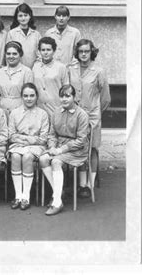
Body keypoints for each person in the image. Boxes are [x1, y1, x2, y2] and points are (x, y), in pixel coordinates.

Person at [69, 39, 110, 198]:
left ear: (91, 52)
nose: (84, 54)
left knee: (92, 148)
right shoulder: (71, 69)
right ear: (77, 53)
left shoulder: (99, 71)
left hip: (92, 116)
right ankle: (81, 185)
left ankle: (90, 184)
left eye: (86, 51)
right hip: (75, 116)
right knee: (79, 147)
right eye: (81, 51)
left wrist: (96, 112)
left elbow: (106, 99)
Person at [39, 84, 90, 215]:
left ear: (74, 97)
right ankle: (58, 190)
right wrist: (51, 147)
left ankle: (57, 202)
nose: (64, 99)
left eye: (68, 96)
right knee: (43, 159)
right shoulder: (56, 112)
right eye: (62, 96)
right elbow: (52, 134)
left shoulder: (82, 115)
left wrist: (60, 150)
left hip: (77, 150)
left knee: (56, 162)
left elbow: (81, 141)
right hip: (58, 147)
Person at [8, 83, 49, 210]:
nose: (29, 98)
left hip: (36, 146)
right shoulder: (14, 113)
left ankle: (26, 196)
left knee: (26, 157)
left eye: (32, 95)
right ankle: (18, 195)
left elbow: (43, 139)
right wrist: (24, 140)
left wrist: (26, 140)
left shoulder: (43, 114)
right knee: (15, 156)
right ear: (21, 97)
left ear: (36, 96)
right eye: (25, 96)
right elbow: (11, 135)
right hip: (17, 144)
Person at [32, 37, 69, 117]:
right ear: (39, 51)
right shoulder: (35, 67)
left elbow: (66, 89)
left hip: (56, 108)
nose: (46, 53)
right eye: (43, 50)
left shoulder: (61, 67)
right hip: (39, 110)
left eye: (48, 50)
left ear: (54, 51)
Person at [0, 41, 34, 114]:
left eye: (14, 54)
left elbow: (29, 94)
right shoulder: (0, 72)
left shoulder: (26, 72)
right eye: (8, 54)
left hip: (20, 110)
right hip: (2, 110)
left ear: (20, 55)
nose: (11, 56)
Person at [7, 3, 41, 69]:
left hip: (34, 70)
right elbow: (8, 55)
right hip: (16, 70)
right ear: (16, 17)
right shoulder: (11, 34)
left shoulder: (36, 34)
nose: (23, 18)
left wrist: (36, 68)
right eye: (20, 16)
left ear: (30, 16)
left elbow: (40, 55)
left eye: (25, 15)